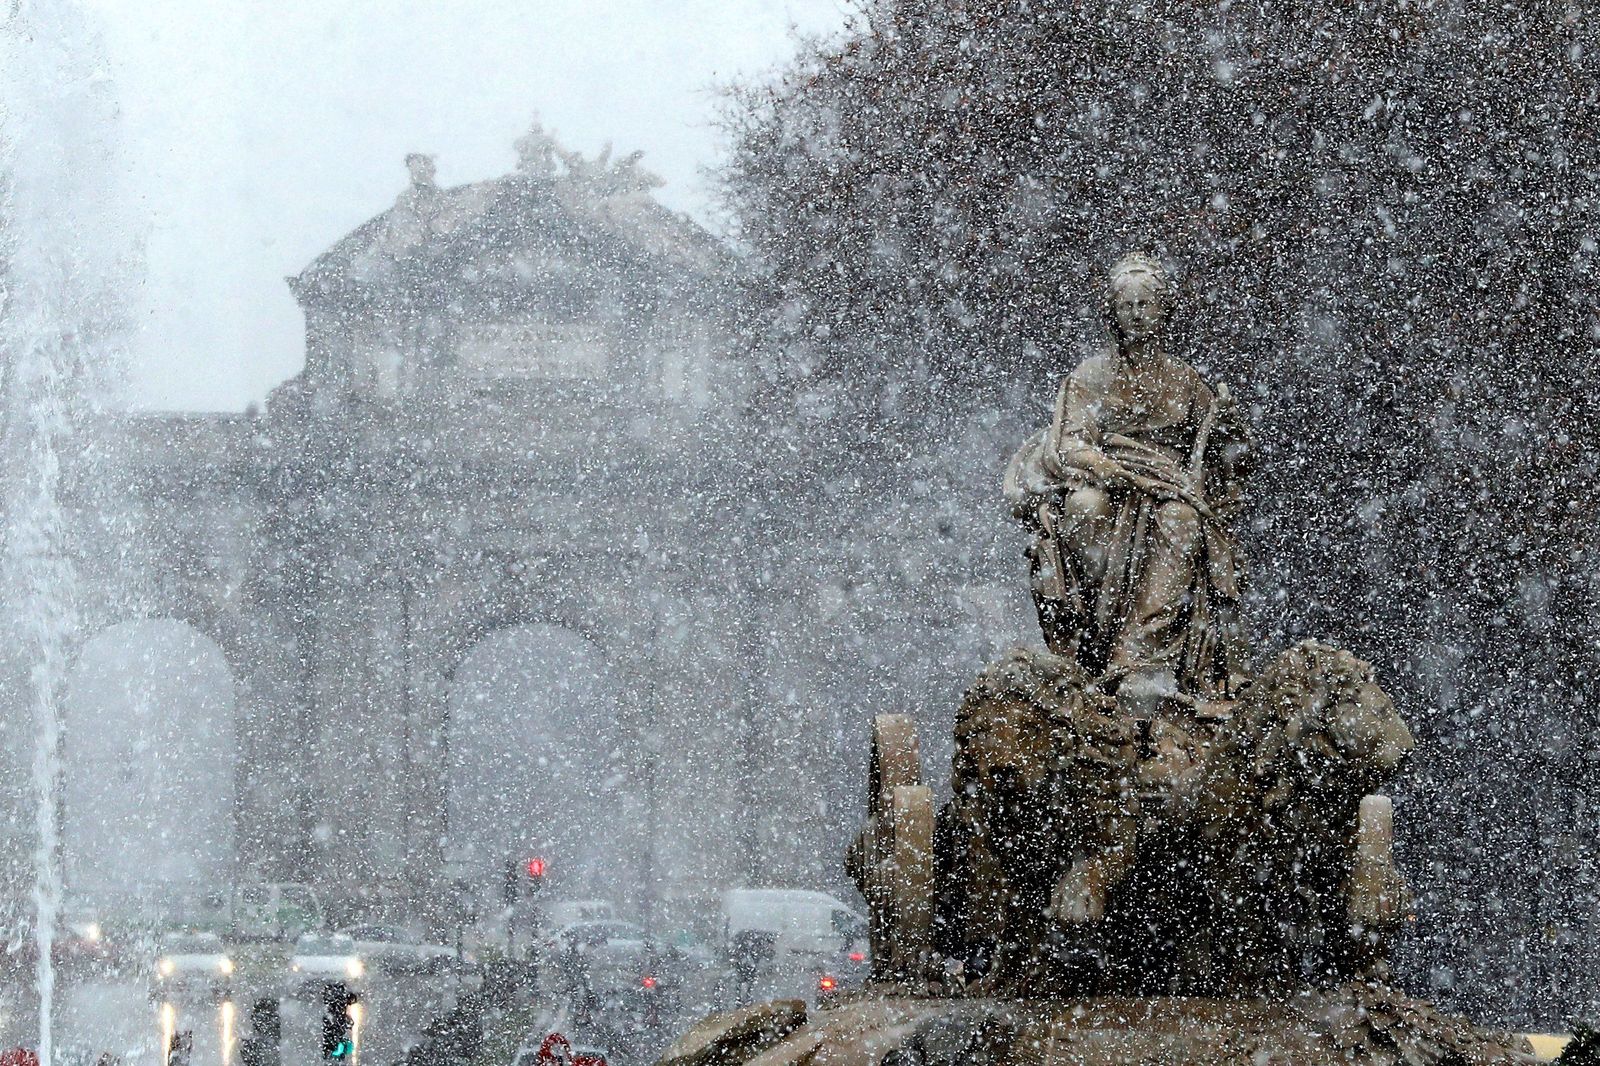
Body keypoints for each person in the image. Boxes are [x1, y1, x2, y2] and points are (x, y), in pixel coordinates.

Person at [1005, 252, 1253, 706]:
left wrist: (1230, 432)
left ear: (1163, 310)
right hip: (1110, 483)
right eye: (1128, 306)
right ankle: (1096, 639)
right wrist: (1113, 473)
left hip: (1168, 489)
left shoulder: (1185, 381)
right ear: (1114, 313)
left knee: (1181, 521)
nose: (1137, 315)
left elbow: (1229, 457)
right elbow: (1070, 443)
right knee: (1083, 509)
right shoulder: (1090, 375)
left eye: (1146, 305)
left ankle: (1139, 655)